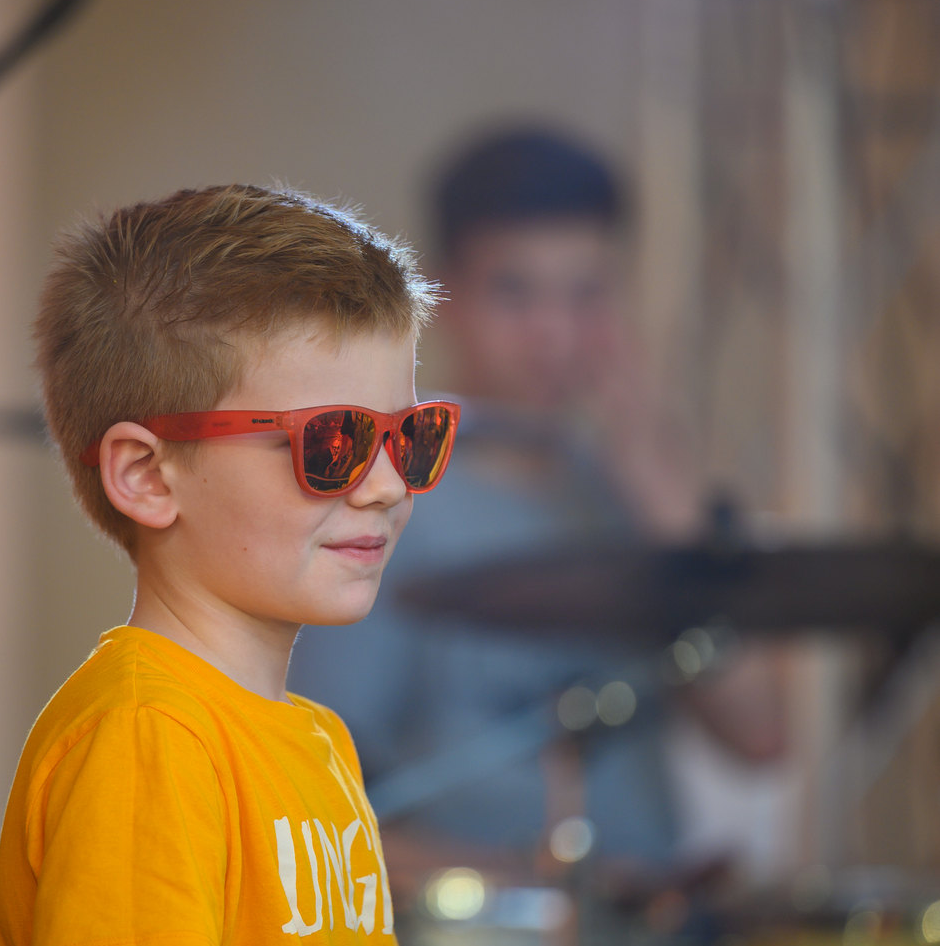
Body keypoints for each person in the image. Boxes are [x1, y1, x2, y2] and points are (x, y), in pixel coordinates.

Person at [0, 182, 814, 946]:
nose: (384, 488)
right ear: (148, 476)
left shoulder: (308, 743)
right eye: (331, 443)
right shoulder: (145, 729)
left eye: (409, 439)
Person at [290, 129, 788, 891]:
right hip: (477, 942)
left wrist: (668, 509)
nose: (553, 333)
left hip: (655, 934)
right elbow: (314, 813)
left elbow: (760, 736)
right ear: (440, 294)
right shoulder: (383, 493)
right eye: (514, 293)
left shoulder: (629, 489)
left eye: (585, 294)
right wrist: (546, 889)